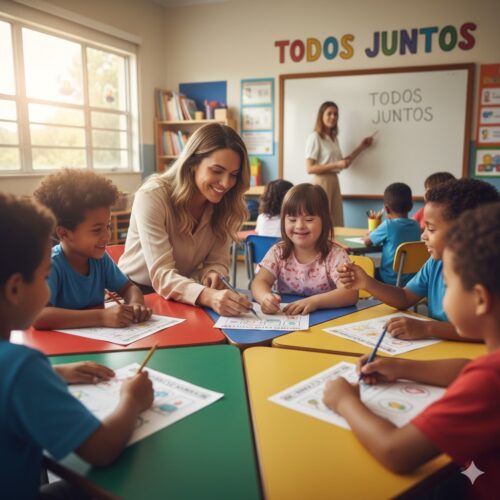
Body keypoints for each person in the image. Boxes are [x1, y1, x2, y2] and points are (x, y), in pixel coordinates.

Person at [323, 202, 500, 499]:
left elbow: (396, 451)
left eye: (449, 283)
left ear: (480, 299)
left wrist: (344, 401)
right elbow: (468, 370)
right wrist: (401, 367)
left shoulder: (490, 383)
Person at [0, 193, 154, 499]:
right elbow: (101, 449)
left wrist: (55, 374)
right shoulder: (21, 367)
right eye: (45, 277)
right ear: (15, 288)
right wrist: (132, 399)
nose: (48, 288)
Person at [337, 178, 499, 340]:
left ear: (464, 231)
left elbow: (485, 330)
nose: (423, 236)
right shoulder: (435, 263)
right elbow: (405, 297)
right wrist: (367, 283)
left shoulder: (489, 271)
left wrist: (428, 328)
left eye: (431, 229)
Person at [119, 123, 254, 317]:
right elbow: (162, 275)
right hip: (135, 295)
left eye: (233, 175)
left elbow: (217, 260)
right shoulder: (152, 196)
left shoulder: (224, 204)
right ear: (192, 164)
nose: (226, 183)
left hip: (181, 293)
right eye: (217, 171)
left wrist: (213, 273)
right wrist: (207, 295)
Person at [32, 169, 151, 330]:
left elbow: (129, 288)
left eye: (108, 226)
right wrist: (100, 317)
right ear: (64, 233)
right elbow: (39, 316)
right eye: (97, 230)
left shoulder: (100, 259)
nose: (107, 236)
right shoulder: (51, 265)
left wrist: (136, 305)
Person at [251, 183, 358, 315]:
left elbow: (350, 293)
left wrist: (315, 302)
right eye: (292, 219)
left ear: (324, 221)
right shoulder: (278, 252)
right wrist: (265, 298)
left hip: (326, 318)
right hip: (289, 318)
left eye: (309, 219)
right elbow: (259, 281)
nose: (299, 226)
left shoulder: (335, 255)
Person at [305, 101, 374, 226]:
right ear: (321, 115)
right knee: (323, 221)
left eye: (336, 114)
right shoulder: (315, 137)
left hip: (334, 180)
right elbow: (310, 168)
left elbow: (343, 162)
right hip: (321, 182)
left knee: (336, 221)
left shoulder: (333, 138)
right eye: (329, 113)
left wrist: (361, 147)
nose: (333, 117)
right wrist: (336, 165)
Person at [364, 182, 421, 286]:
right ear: (411, 206)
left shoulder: (388, 225)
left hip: (389, 279)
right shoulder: (416, 225)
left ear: (386, 209)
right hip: (412, 280)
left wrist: (368, 234)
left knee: (367, 272)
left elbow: (367, 242)